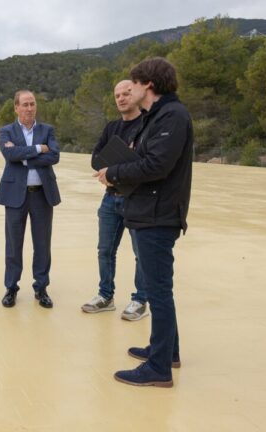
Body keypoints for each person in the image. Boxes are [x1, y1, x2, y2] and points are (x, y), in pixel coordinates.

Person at [95, 57, 193, 387]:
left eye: (133, 84)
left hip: (157, 216)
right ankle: (168, 351)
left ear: (147, 85)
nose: (129, 89)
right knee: (159, 287)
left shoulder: (172, 115)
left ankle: (158, 368)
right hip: (150, 211)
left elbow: (156, 164)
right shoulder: (159, 116)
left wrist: (115, 173)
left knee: (158, 291)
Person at [81, 80, 148, 320]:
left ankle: (140, 300)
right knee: (105, 250)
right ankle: (105, 295)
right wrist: (110, 174)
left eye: (126, 93)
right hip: (110, 198)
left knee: (141, 253)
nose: (121, 98)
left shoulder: (147, 124)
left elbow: (145, 164)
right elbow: (96, 159)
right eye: (117, 95)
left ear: (138, 94)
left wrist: (113, 171)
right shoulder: (111, 128)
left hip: (136, 199)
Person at [0, 90, 61, 308]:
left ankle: (41, 288)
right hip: (15, 196)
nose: (29, 108)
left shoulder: (47, 130)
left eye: (32, 104)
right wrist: (36, 150)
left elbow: (54, 156)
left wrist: (23, 156)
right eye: (25, 104)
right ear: (16, 107)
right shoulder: (7, 131)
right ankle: (11, 288)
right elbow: (9, 155)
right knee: (14, 245)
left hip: (42, 195)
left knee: (43, 244)